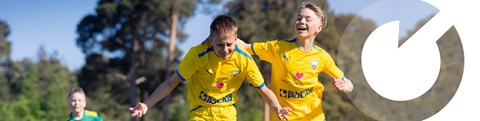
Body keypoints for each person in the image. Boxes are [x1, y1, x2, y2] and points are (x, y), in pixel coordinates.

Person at [129, 15, 291, 121]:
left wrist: (277, 108)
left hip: (227, 113)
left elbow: (263, 90)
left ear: (236, 39)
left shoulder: (244, 59)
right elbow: (170, 83)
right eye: (220, 45)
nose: (225, 49)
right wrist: (147, 104)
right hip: (200, 113)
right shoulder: (197, 55)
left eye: (229, 44)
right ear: (210, 39)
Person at [235, 1, 354, 121]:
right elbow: (245, 47)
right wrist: (222, 37)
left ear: (319, 28)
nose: (301, 21)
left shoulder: (322, 57)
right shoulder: (278, 48)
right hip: (283, 118)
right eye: (299, 18)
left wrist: (346, 86)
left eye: (308, 19)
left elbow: (348, 83)